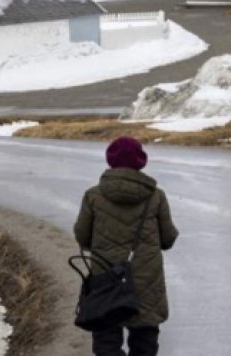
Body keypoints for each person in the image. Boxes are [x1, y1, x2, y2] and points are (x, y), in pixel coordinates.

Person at [75, 136, 179, 356]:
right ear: (141, 161)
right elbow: (167, 239)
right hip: (145, 279)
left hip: (106, 278)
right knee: (145, 339)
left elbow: (82, 237)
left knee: (106, 338)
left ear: (110, 160)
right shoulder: (156, 197)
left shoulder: (93, 196)